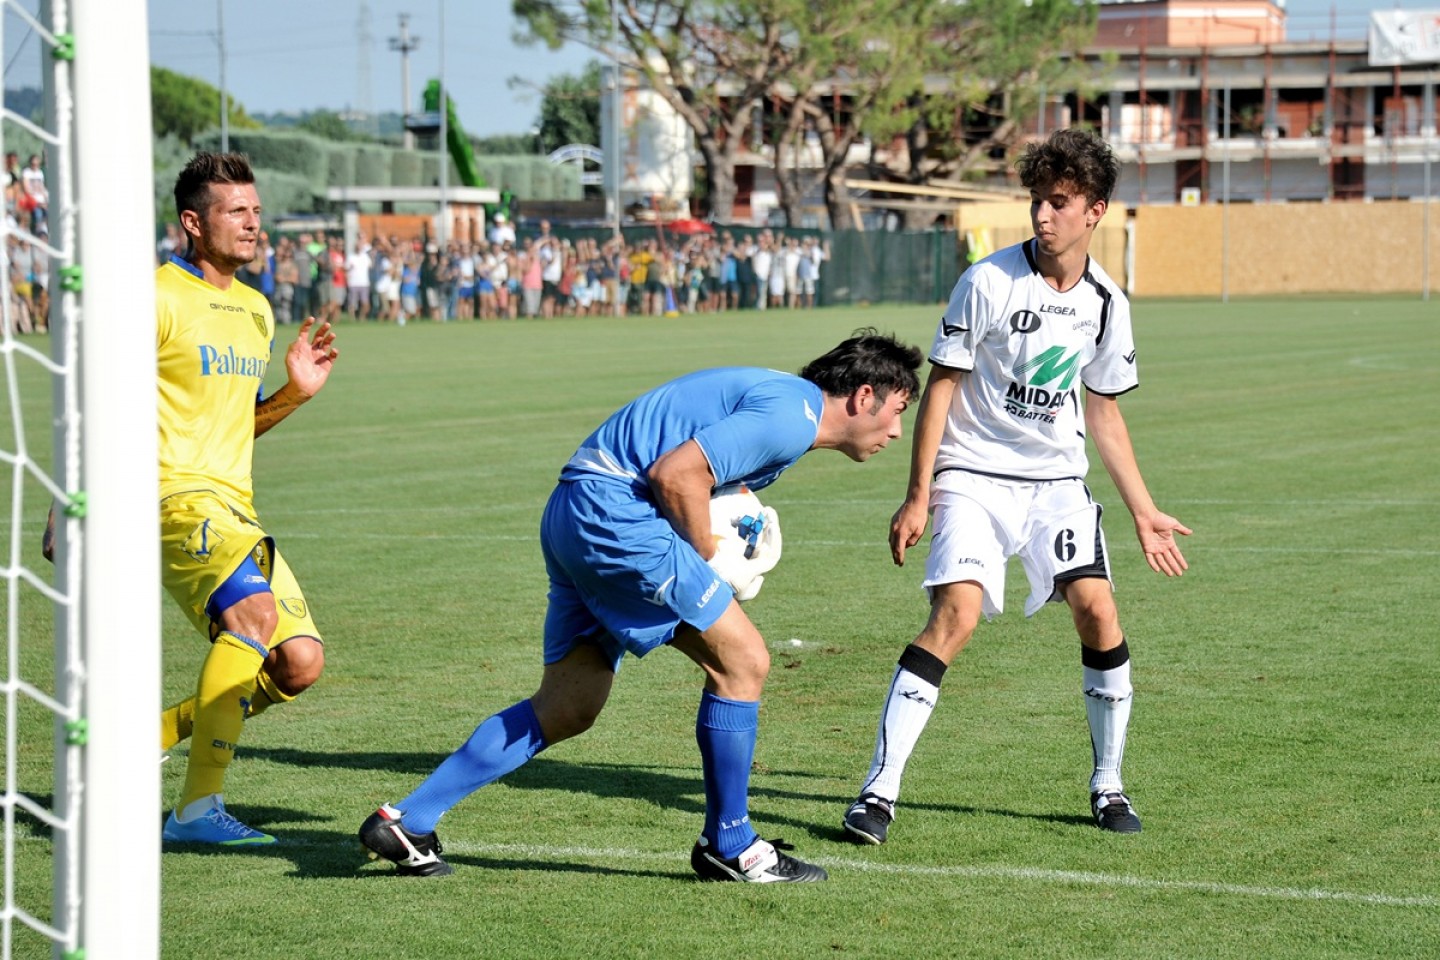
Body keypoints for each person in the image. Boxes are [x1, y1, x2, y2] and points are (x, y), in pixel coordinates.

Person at [359, 329, 923, 881]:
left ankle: (408, 820)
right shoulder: (790, 417)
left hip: (577, 508)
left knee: (569, 705)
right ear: (863, 395)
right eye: (897, 410)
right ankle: (732, 844)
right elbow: (675, 475)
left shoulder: (784, 403)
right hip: (617, 514)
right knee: (743, 662)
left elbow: (698, 476)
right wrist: (708, 554)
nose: (897, 431)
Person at [840, 128, 1191, 846]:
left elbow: (1105, 414)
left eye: (1058, 203)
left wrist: (1144, 509)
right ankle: (879, 791)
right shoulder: (989, 281)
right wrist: (919, 493)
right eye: (1037, 201)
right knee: (957, 616)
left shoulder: (1105, 302)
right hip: (973, 477)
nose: (1042, 216)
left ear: (1095, 211)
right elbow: (941, 390)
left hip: (1056, 483)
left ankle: (1108, 783)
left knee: (1099, 611)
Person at [155, 152, 339, 845]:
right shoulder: (157, 297)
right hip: (171, 496)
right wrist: (62, 504)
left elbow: (241, 422)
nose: (253, 223)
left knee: (299, 663)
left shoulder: (257, 311)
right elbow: (93, 400)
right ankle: (196, 812)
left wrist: (295, 392)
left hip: (235, 505)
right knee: (253, 618)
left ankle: (159, 732)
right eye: (237, 212)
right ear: (193, 223)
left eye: (257, 212)